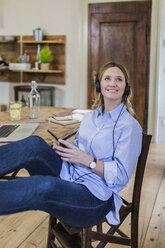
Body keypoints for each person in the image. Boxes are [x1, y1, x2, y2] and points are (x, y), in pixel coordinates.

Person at [0, 61, 142, 227]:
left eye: (119, 79)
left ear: (126, 87)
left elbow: (121, 175)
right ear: (99, 84)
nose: (112, 83)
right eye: (107, 78)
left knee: (45, 185)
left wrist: (87, 160)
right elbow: (78, 148)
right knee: (35, 144)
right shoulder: (90, 117)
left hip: (94, 197)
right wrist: (64, 149)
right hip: (69, 175)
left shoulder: (130, 127)